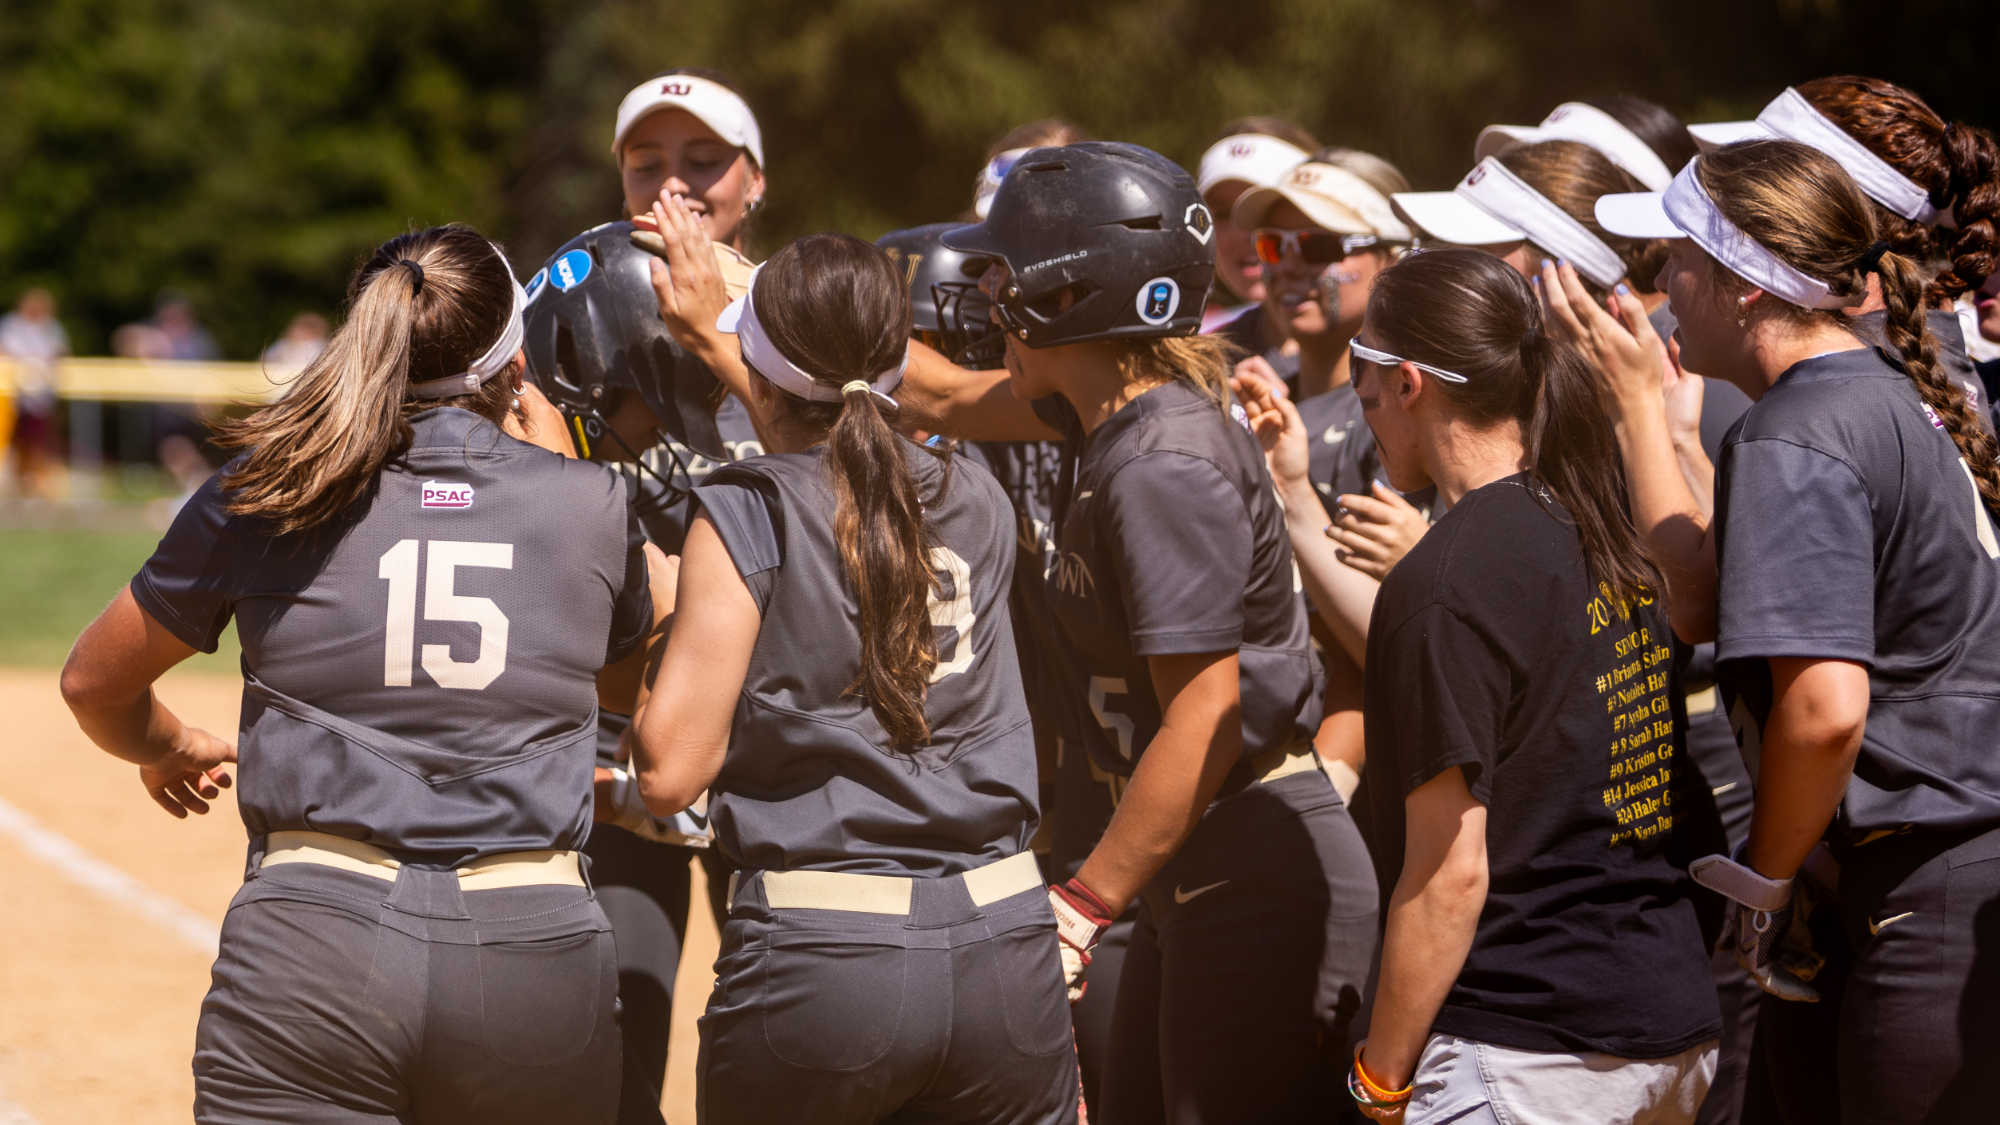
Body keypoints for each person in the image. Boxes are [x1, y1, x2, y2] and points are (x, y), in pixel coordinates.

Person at [58, 224, 658, 1124]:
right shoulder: (594, 504)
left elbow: (93, 683)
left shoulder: (273, 485)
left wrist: (169, 742)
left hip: (312, 940)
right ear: (516, 361)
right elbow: (636, 699)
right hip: (530, 944)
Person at [892, 140, 1378, 1123]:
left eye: (1003, 273)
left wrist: (1080, 904)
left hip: (1249, 870)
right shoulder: (1109, 415)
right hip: (1196, 868)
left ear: (1068, 295)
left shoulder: (1159, 458)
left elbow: (1203, 721)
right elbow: (935, 395)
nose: (989, 301)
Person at [1584, 137, 2000, 1125]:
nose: (1662, 291)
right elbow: (1703, 597)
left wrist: (1761, 885)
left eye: (1676, 261)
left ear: (1741, 283)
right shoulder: (1883, 392)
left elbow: (1819, 711)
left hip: (1920, 884)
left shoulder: (1791, 433)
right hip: (1948, 869)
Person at [628, 232, 1075, 1124]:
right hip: (1006, 941)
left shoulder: (749, 504)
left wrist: (665, 617)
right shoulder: (974, 489)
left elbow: (669, 770)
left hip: (826, 951)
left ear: (752, 372)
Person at [1342, 247, 1723, 1125]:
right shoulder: (1602, 523)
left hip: (1529, 1053)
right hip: (1668, 1026)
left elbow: (1448, 874)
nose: (1356, 397)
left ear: (1409, 382)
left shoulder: (1441, 582)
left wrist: (1380, 1084)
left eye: (1364, 368)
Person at [1192, 117, 1316, 327]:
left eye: (1265, 210)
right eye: (1223, 214)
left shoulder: (1379, 347)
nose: (1243, 234)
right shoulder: (1205, 353)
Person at [0, 288, 69, 499]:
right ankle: (16, 488)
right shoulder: (11, 325)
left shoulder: (51, 328)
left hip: (40, 399)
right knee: (14, 447)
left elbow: (61, 354)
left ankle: (37, 489)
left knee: (38, 447)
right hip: (11, 398)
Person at [262, 311, 329, 367]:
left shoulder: (319, 347)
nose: (300, 333)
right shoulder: (281, 345)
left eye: (307, 330)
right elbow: (263, 364)